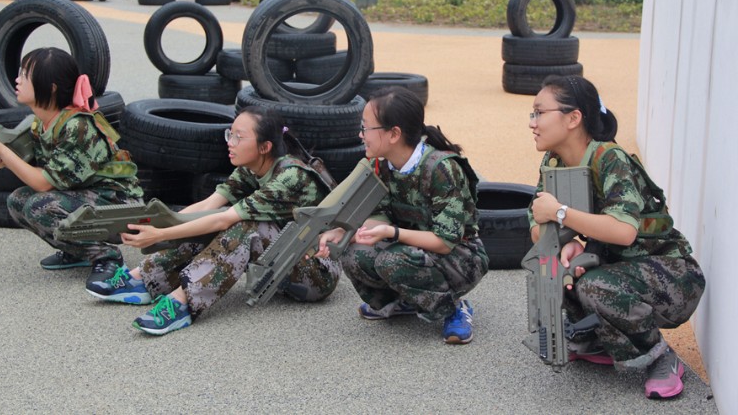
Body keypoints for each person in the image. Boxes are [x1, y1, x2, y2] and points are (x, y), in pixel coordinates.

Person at [87, 106, 342, 336]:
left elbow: (224, 220)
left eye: (238, 137)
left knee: (244, 226)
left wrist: (159, 235)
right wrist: (158, 224)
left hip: (315, 273)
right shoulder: (251, 168)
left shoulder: (291, 177)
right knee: (213, 220)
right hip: (281, 261)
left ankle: (183, 302)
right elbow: (209, 206)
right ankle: (144, 280)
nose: (230, 142)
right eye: (230, 134)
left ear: (264, 147)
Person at [527, 74, 705, 399]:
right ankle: (598, 338)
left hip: (672, 275)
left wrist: (560, 213)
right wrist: (567, 242)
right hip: (621, 269)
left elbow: (623, 232)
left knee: (596, 286)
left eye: (539, 112)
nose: (532, 123)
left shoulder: (610, 159)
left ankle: (660, 357)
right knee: (553, 266)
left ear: (573, 118)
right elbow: (538, 223)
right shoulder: (553, 161)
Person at [317, 86, 488, 345]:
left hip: (460, 257)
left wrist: (392, 233)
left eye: (366, 128)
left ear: (394, 133)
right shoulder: (382, 164)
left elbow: (444, 241)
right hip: (413, 249)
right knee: (352, 252)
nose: (360, 135)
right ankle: (404, 302)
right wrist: (342, 232)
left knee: (391, 260)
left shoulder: (441, 169)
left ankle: (453, 309)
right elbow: (381, 215)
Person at [0, 47, 143, 288]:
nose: (17, 80)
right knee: (17, 200)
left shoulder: (77, 127)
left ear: (50, 87)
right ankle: (77, 251)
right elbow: (46, 172)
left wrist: (4, 152)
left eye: (25, 75)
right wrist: (4, 159)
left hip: (120, 204)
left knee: (39, 206)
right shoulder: (41, 121)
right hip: (89, 196)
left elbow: (44, 182)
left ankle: (107, 257)